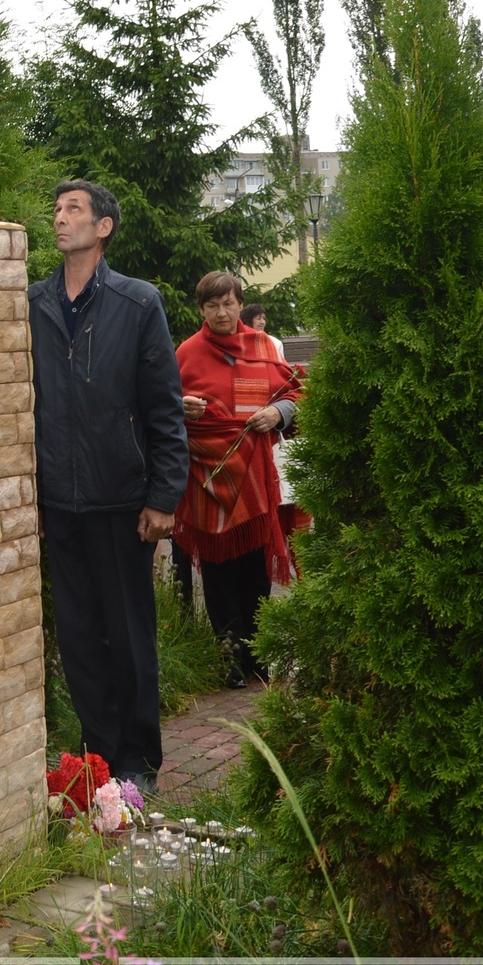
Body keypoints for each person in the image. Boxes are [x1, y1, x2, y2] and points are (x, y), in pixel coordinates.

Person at [29, 181, 189, 788]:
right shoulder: (34, 302)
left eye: (73, 210)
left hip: (123, 500)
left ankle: (138, 763)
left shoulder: (137, 302)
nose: (60, 218)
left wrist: (163, 497)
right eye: (57, 209)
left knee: (127, 637)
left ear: (103, 228)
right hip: (61, 504)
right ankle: (96, 761)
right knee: (77, 642)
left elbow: (164, 409)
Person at [174, 272, 303, 685]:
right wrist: (180, 407)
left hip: (255, 477)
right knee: (217, 569)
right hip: (207, 478)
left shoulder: (263, 346)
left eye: (228, 303)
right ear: (201, 310)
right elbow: (157, 404)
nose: (221, 312)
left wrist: (279, 413)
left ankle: (257, 655)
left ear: (239, 303)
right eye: (212, 306)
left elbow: (297, 391)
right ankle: (229, 658)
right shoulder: (187, 353)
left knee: (254, 568)